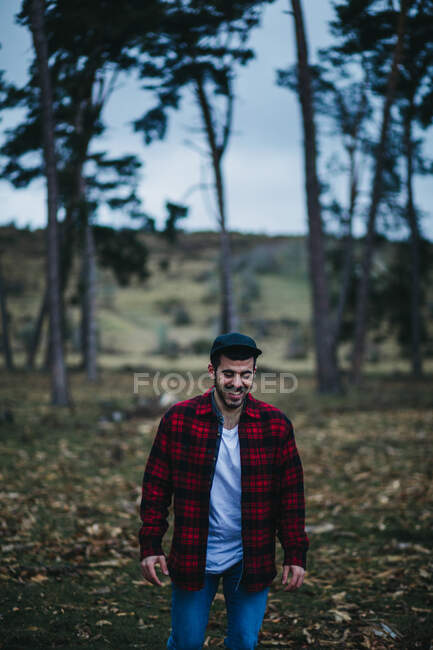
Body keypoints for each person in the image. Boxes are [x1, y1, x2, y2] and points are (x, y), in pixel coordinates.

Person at [139, 332, 309, 650]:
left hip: (251, 555)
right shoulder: (180, 421)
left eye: (245, 374)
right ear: (212, 371)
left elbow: (291, 496)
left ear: (254, 374)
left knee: (244, 642)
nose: (237, 383)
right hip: (194, 553)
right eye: (228, 373)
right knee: (186, 642)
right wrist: (150, 544)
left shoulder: (275, 425)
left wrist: (295, 552)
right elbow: (156, 486)